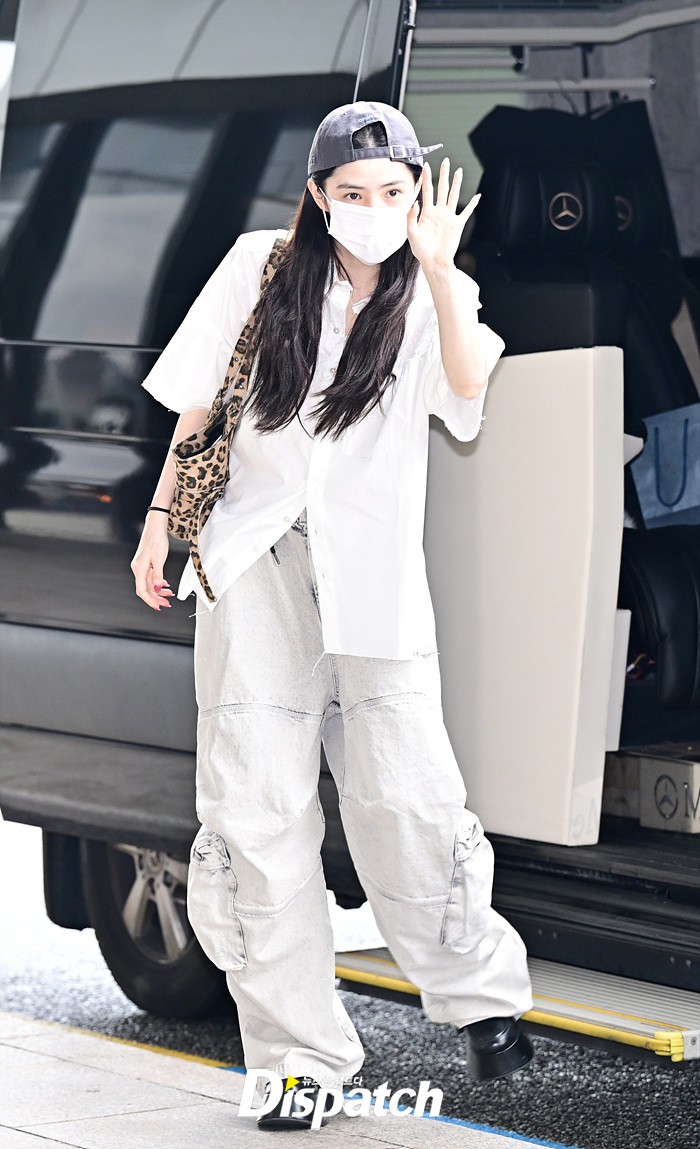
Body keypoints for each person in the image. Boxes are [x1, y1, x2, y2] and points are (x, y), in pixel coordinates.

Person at [131, 101, 534, 1131]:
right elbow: (199, 408)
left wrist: (438, 268)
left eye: (391, 191)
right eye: (351, 192)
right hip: (256, 566)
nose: (371, 208)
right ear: (317, 195)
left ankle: (480, 994)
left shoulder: (434, 292)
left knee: (408, 797)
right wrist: (160, 524)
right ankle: (297, 1062)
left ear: (415, 195)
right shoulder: (260, 268)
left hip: (374, 580)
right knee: (255, 814)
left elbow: (466, 395)